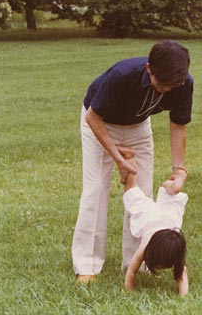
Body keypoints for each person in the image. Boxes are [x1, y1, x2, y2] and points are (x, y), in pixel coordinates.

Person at [72, 40, 193, 283]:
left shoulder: (182, 83)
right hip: (100, 123)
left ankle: (138, 259)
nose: (166, 91)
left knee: (142, 193)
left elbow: (178, 124)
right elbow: (92, 117)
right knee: (96, 190)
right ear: (149, 68)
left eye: (172, 86)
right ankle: (87, 264)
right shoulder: (122, 75)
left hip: (138, 126)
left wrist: (178, 169)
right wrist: (118, 159)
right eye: (162, 84)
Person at [123, 155, 189, 297]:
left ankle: (171, 186)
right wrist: (129, 291)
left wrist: (184, 299)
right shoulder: (145, 248)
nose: (161, 267)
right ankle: (130, 162)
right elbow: (131, 271)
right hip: (149, 218)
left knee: (169, 198)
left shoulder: (173, 252)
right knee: (131, 190)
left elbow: (132, 271)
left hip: (168, 219)